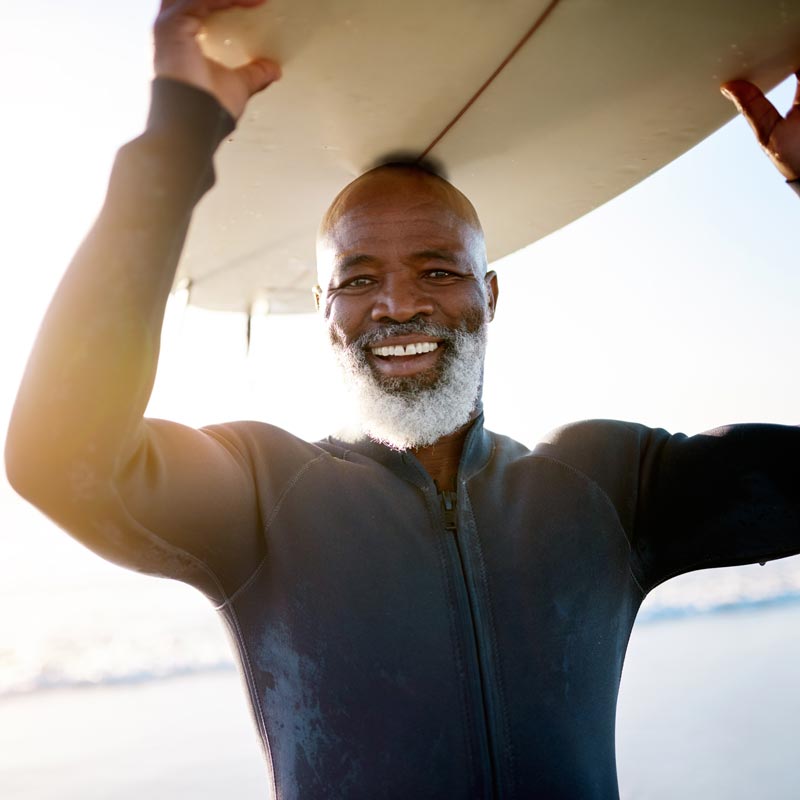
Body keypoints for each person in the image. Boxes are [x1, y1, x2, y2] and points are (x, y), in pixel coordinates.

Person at [5, 0, 800, 797]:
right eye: (357, 279)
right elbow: (58, 454)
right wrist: (179, 136)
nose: (396, 304)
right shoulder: (258, 495)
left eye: (437, 270)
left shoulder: (612, 483)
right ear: (325, 314)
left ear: (490, 295)